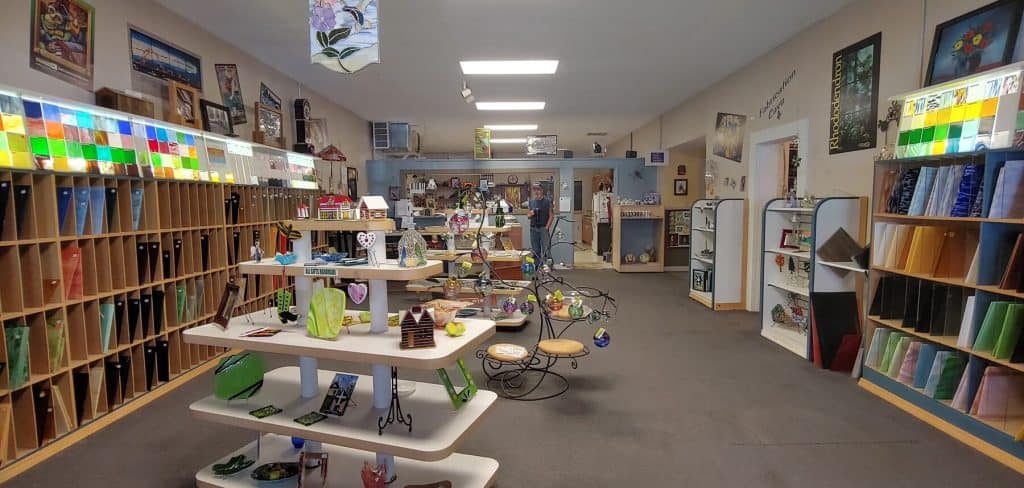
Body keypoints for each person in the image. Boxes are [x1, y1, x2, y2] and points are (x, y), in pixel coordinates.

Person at [527, 184, 553, 264]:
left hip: (543, 229)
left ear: (542, 190)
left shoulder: (548, 201)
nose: (536, 191)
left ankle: (548, 267)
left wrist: (546, 228)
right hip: (533, 229)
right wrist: (530, 214)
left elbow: (551, 216)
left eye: (538, 189)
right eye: (534, 190)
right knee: (535, 251)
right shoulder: (531, 202)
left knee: (546, 250)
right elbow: (528, 216)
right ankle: (537, 267)